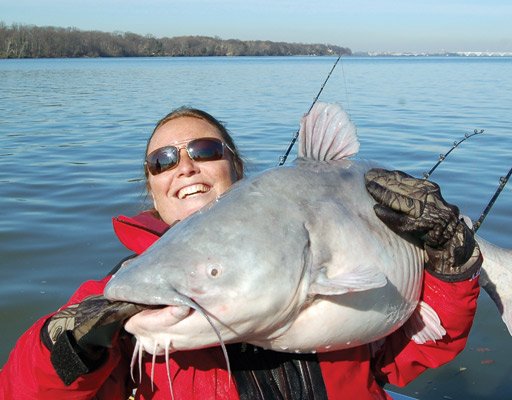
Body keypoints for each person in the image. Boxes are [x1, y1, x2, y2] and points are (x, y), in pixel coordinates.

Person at [0, 106, 481, 400]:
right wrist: (63, 351)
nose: (184, 166)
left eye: (204, 150)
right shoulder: (120, 296)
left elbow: (411, 357)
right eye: (162, 161)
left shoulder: (313, 234)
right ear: (151, 188)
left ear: (236, 167)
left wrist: (451, 272)